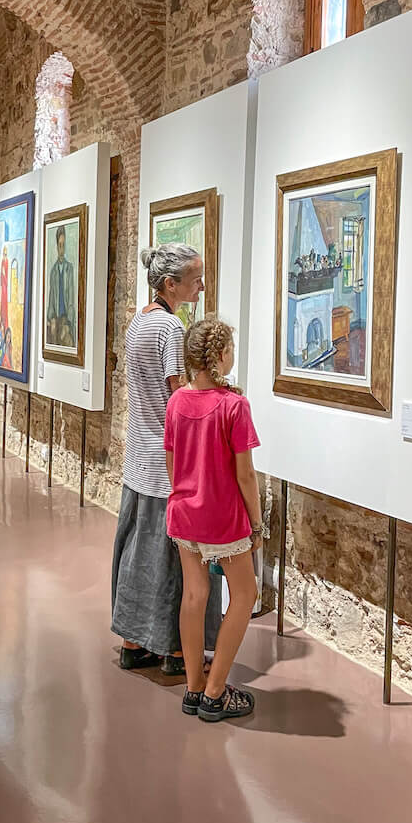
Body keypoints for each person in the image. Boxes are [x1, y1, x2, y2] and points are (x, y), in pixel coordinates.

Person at [111, 243, 222, 676]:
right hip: (165, 464)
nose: (201, 285)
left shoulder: (139, 322)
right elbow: (179, 398)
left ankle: (133, 642)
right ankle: (176, 651)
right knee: (174, 563)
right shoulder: (171, 329)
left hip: (139, 457)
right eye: (195, 279)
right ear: (170, 284)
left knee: (138, 556)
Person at [164, 316, 262, 721]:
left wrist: (186, 494)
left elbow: (171, 461)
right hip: (222, 518)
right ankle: (216, 692)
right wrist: (256, 524)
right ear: (221, 356)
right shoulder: (233, 406)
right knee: (245, 594)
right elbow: (246, 474)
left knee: (194, 594)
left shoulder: (177, 402)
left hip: (185, 514)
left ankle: (193, 688)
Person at [47, 225, 75, 347]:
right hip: (55, 316)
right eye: (59, 245)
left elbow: (71, 298)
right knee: (52, 334)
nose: (62, 249)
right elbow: (51, 296)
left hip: (66, 317)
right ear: (56, 247)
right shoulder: (53, 271)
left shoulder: (69, 268)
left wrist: (69, 322)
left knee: (66, 337)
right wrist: (51, 317)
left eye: (63, 245)